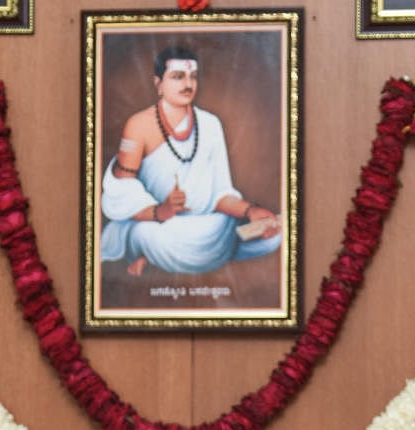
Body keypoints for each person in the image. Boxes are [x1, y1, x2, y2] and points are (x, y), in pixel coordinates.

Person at [101, 42, 282, 276]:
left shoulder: (210, 124)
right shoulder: (139, 125)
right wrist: (161, 211)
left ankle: (157, 259)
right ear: (159, 84)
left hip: (209, 226)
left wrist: (250, 211)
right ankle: (156, 253)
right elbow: (121, 194)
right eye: (178, 76)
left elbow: (221, 195)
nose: (188, 85)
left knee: (274, 233)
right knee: (146, 235)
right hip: (157, 225)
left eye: (192, 77)